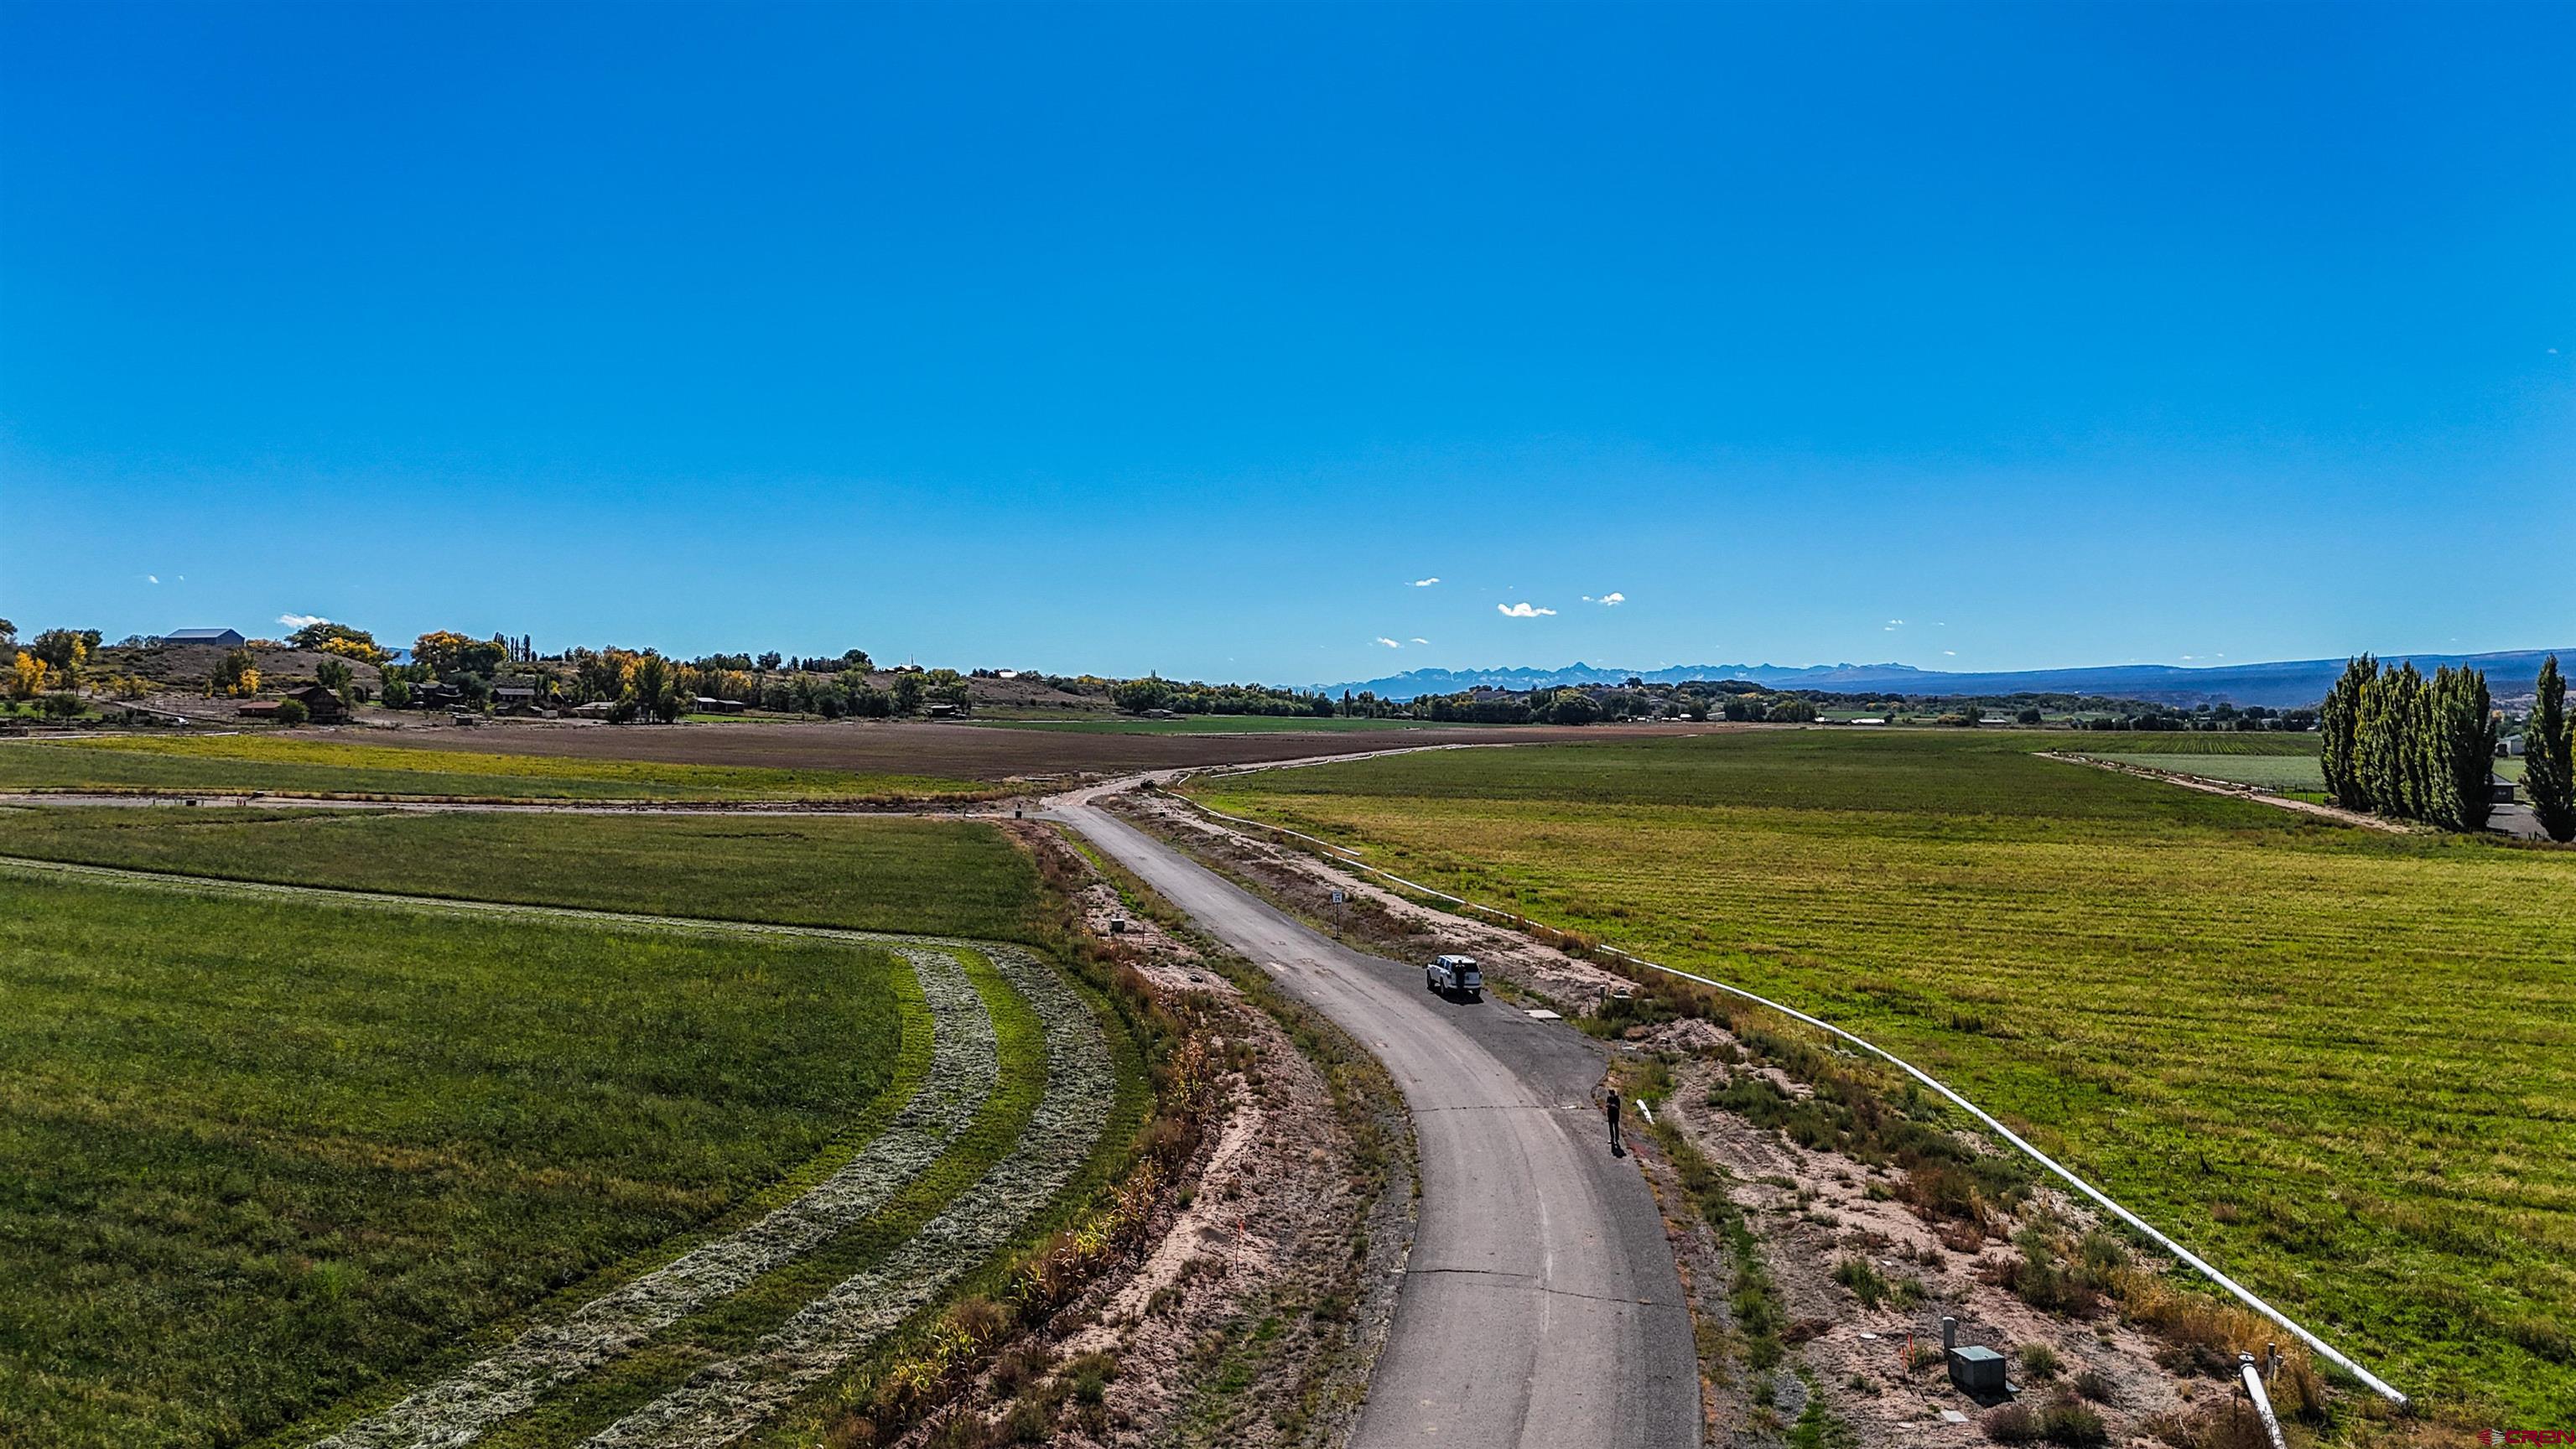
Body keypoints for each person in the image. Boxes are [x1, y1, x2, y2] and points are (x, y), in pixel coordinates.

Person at [1605, 1092, 1624, 1156]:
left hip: (1615, 1115)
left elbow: (1619, 1107)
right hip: (1610, 1115)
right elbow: (1607, 1105)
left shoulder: (1617, 1099)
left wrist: (1614, 1106)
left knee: (1616, 1127)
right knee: (1611, 1127)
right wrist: (1609, 1105)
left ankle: (1616, 1139)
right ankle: (1612, 1138)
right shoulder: (1609, 1098)